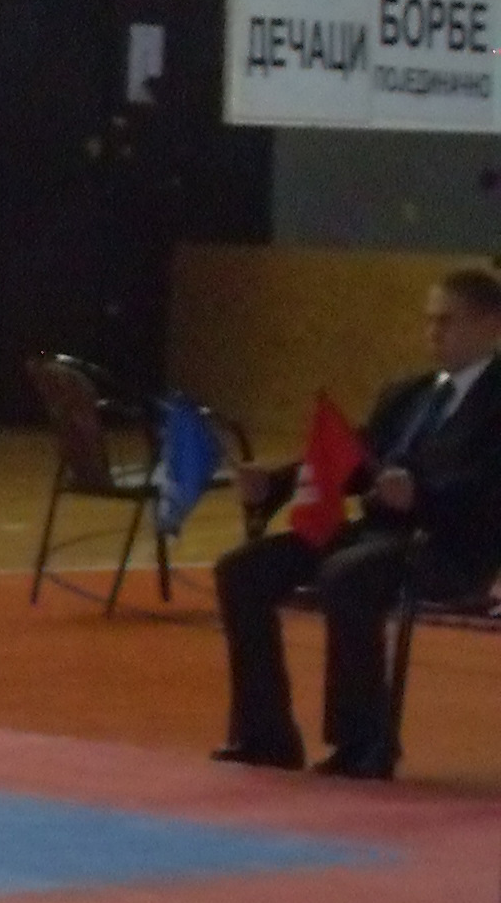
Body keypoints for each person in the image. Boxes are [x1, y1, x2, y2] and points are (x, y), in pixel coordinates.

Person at [212, 269, 501, 780]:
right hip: (377, 535)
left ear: (489, 324)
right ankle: (266, 736)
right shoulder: (409, 392)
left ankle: (364, 743)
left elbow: (488, 490)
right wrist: (275, 482)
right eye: (429, 321)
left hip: (450, 545)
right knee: (242, 570)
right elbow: (351, 458)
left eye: (447, 322)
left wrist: (421, 496)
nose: (433, 333)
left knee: (347, 573)